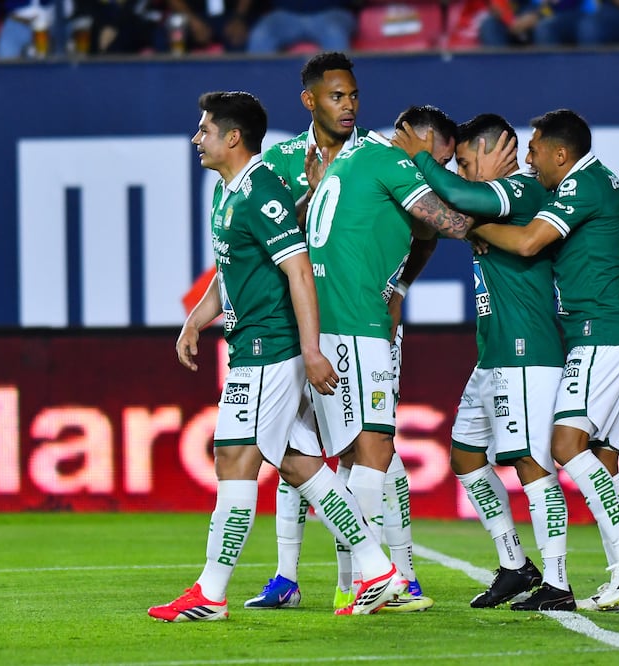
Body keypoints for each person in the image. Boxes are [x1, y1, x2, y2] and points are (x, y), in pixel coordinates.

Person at [147, 90, 405, 622]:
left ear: (232, 136)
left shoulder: (261, 192)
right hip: (252, 345)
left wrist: (311, 350)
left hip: (268, 349)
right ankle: (378, 568)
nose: (198, 138)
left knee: (234, 458)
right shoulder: (228, 192)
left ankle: (211, 593)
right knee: (298, 464)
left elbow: (299, 269)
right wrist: (198, 317)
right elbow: (230, 269)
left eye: (205, 129)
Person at [243, 51, 434, 614]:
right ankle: (287, 576)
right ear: (310, 100)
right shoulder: (280, 159)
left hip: (356, 322)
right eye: (336, 96)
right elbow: (265, 238)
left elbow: (423, 230)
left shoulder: (375, 156)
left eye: (353, 95)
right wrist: (306, 198)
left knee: (368, 448)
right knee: (291, 451)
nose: (348, 105)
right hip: (293, 325)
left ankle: (375, 576)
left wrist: (397, 287)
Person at [470, 109, 619, 611]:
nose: (528, 160)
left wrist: (478, 226)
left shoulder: (583, 184)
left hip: (600, 331)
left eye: (534, 150)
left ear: (560, 153)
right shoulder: (596, 180)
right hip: (615, 330)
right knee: (603, 460)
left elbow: (530, 241)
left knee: (565, 443)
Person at [392, 113, 577, 610]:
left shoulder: (518, 190)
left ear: (496, 152)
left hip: (524, 351)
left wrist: (422, 159)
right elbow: (460, 206)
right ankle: (516, 565)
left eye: (468, 161)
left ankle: (558, 583)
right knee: (466, 457)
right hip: (494, 353)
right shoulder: (497, 200)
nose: (464, 171)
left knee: (530, 463)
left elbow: (464, 199)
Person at [304, 104, 472, 614]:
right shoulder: (394, 161)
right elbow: (450, 224)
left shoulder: (356, 159)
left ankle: (353, 583)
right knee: (376, 446)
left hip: (333, 315)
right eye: (442, 159)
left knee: (358, 454)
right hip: (354, 319)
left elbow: (420, 236)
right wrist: (515, 209)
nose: (444, 172)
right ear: (418, 139)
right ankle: (369, 580)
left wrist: (398, 285)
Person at [478, 0, 602, 48]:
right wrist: (507, 16)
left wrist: (538, 15)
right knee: (490, 26)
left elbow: (566, 3)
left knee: (545, 28)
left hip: (572, 14)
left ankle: (552, 81)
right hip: (529, 13)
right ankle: (500, 83)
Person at [247, 0, 355, 55]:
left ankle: (338, 93)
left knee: (334, 34)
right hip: (285, 14)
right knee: (260, 35)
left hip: (331, 13)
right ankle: (260, 93)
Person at [160, 0, 257, 53]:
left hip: (232, 14)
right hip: (193, 14)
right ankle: (173, 81)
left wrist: (239, 17)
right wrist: (193, 22)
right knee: (165, 37)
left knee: (240, 37)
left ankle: (237, 83)